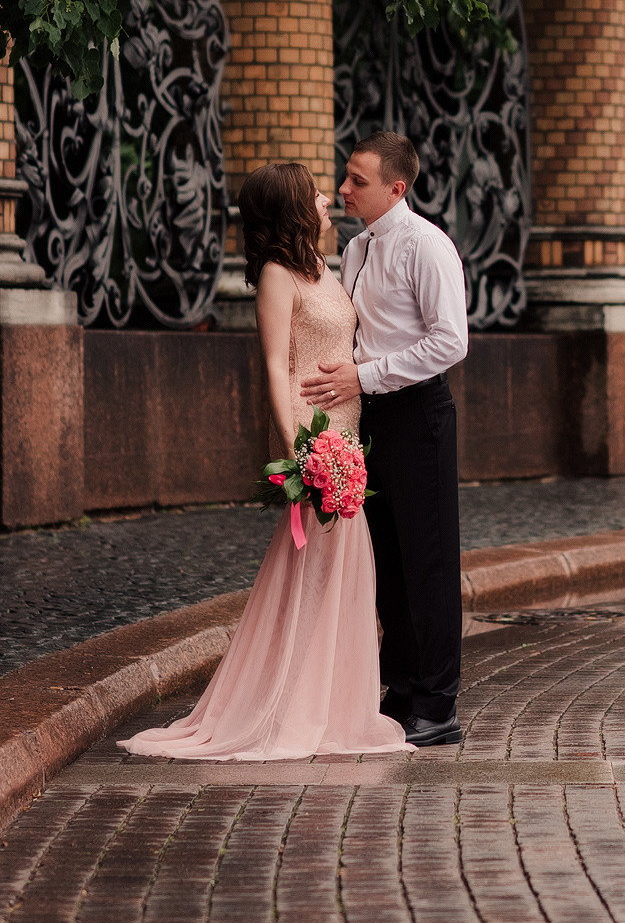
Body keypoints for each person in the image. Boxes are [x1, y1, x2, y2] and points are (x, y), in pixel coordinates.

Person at [119, 161, 412, 761]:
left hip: (348, 432)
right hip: (316, 432)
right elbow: (276, 365)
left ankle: (332, 706)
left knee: (341, 573)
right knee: (313, 570)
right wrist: (298, 446)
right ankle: (291, 706)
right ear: (293, 207)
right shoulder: (279, 274)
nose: (330, 198)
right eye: (316, 193)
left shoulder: (324, 269)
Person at [299, 131, 469, 747]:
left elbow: (451, 342)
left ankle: (437, 704)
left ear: (396, 188)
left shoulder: (427, 247)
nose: (343, 189)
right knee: (387, 561)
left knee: (427, 559)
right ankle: (399, 691)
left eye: (358, 180)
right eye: (345, 177)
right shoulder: (357, 249)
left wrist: (363, 377)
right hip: (370, 417)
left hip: (420, 413)